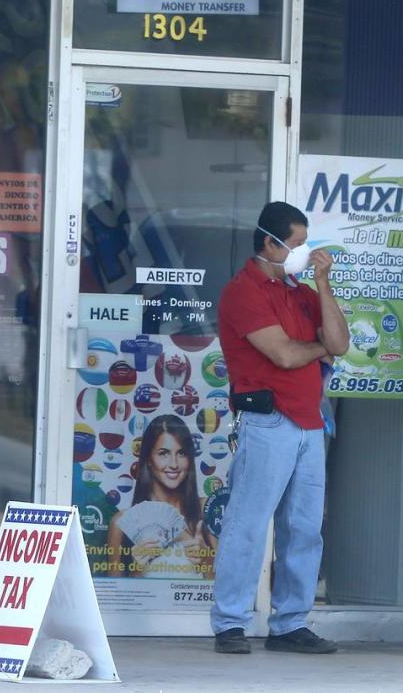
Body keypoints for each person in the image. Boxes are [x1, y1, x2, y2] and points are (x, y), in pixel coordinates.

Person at [210, 201, 349, 655]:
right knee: (248, 524)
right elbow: (285, 355)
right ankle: (230, 622)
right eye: (295, 244)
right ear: (268, 242)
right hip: (267, 421)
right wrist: (317, 348)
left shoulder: (300, 291)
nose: (303, 253)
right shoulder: (242, 291)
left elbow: (340, 344)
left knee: (305, 528)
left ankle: (289, 623)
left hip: (310, 423)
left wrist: (323, 285)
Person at [107, 414, 216, 578]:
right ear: (149, 460)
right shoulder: (120, 522)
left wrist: (206, 560)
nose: (173, 464)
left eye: (181, 453)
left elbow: (225, 595)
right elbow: (115, 599)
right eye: (163, 453)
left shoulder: (207, 510)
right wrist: (137, 569)